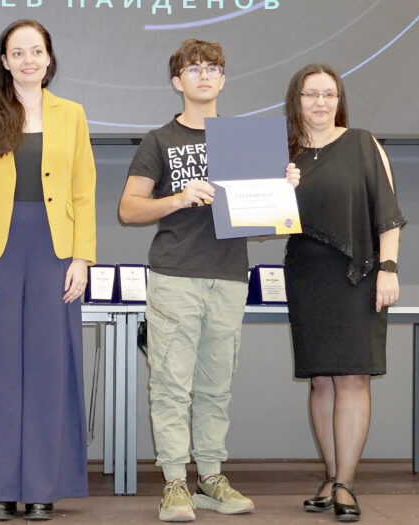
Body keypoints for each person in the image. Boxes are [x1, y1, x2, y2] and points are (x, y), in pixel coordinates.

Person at [118, 38, 299, 522]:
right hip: (175, 275)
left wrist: (282, 194)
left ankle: (211, 477)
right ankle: (174, 482)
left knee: (216, 386)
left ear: (223, 79)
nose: (204, 75)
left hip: (229, 276)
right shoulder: (160, 140)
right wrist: (178, 197)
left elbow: (262, 228)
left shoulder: (244, 141)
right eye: (194, 68)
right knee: (171, 386)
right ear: (177, 81)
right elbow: (128, 209)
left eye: (213, 68)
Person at [0, 19, 96, 522]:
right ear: (5, 61)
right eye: (18, 52)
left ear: (49, 58)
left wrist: (82, 257)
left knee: (48, 367)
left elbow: (83, 192)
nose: (29, 60)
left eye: (37, 51)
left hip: (55, 252)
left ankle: (41, 488)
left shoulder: (72, 114)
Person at [282, 64, 405, 522]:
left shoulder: (362, 143)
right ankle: (332, 477)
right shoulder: (284, 156)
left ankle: (346, 484)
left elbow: (387, 213)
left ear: (339, 100)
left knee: (353, 378)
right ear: (296, 101)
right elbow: (262, 226)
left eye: (329, 94)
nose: (321, 102)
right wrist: (280, 190)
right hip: (306, 273)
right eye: (311, 94)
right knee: (320, 380)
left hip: (358, 275)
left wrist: (388, 269)